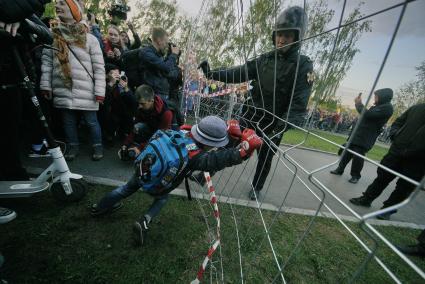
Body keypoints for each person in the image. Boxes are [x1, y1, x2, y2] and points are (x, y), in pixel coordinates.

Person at [91, 116, 263, 246]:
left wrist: (230, 138)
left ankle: (99, 208)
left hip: (143, 170)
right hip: (159, 185)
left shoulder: (179, 130)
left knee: (124, 189)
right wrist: (243, 151)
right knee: (162, 199)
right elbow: (219, 160)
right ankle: (144, 220)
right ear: (212, 143)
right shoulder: (198, 157)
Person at [199, 6, 314, 200]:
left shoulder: (304, 65)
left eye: (287, 35)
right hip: (251, 114)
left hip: (274, 124)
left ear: (297, 37)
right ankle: (205, 175)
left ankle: (256, 187)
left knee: (265, 158)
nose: (281, 39)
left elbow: (298, 105)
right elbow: (239, 72)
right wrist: (211, 73)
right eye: (279, 34)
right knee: (228, 144)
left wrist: (277, 129)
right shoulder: (265, 59)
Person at [40, 0, 106, 161]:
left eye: (62, 4)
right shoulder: (52, 35)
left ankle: (97, 147)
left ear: (74, 9)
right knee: (68, 122)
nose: (57, 6)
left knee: (91, 122)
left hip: (86, 90)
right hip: (63, 87)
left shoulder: (90, 38)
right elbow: (47, 63)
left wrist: (99, 92)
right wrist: (46, 85)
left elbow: (99, 67)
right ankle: (73, 147)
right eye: (57, 4)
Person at [0, 0, 52, 180]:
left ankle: (13, 176)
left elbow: (47, 34)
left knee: (10, 136)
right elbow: (7, 11)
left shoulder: (21, 10)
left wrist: (22, 23)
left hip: (12, 79)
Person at [349, 103, 425, 220]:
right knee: (382, 177)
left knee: (404, 187)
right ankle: (367, 199)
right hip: (397, 151)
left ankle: (387, 210)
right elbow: (398, 122)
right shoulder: (417, 108)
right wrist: (395, 134)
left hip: (418, 161)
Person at [330, 89, 394, 184]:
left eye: (376, 96)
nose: (375, 98)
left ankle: (355, 175)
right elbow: (367, 115)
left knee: (358, 156)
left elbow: (368, 114)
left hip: (366, 137)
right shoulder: (378, 106)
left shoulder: (387, 108)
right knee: (347, 152)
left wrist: (358, 104)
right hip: (358, 134)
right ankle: (340, 169)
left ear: (383, 96)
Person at [119, 84, 173, 160]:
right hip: (152, 129)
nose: (139, 106)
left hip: (165, 135)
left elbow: (160, 136)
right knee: (138, 126)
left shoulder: (166, 113)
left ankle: (148, 148)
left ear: (151, 101)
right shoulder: (141, 108)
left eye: (142, 104)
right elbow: (134, 129)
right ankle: (143, 145)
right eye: (138, 103)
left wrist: (141, 148)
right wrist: (125, 144)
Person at [98, 63, 137, 146]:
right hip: (106, 112)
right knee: (108, 113)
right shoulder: (101, 84)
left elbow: (133, 102)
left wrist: (126, 88)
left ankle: (124, 133)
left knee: (129, 109)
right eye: (113, 74)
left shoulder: (120, 85)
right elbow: (104, 102)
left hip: (119, 112)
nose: (116, 76)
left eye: (118, 74)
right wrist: (111, 84)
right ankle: (108, 135)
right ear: (106, 75)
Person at [139, 27, 180, 100]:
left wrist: (171, 55)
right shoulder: (146, 52)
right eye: (165, 42)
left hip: (161, 93)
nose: (166, 45)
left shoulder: (158, 55)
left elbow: (168, 71)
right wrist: (173, 55)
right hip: (153, 94)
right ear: (159, 40)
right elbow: (166, 68)